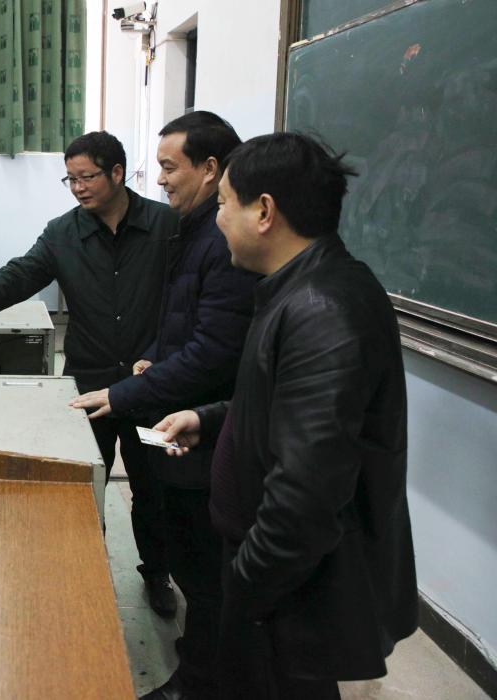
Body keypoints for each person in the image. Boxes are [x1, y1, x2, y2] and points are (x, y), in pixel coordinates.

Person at [156, 133, 417, 699]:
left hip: (287, 591)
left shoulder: (322, 310)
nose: (218, 218)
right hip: (275, 580)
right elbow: (286, 405)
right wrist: (212, 419)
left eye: (224, 203)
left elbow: (305, 496)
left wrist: (245, 587)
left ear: (265, 212)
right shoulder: (298, 288)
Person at [0, 131, 179, 615]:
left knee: (155, 488)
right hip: (88, 383)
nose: (77, 188)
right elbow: (18, 275)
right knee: (83, 486)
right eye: (70, 179)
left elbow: (185, 301)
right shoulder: (63, 233)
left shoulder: (166, 226)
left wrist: (163, 356)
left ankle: (157, 572)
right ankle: (89, 573)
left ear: (117, 173)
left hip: (151, 384)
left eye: (87, 177)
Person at [71, 112, 257, 700]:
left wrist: (122, 392)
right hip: (177, 411)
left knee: (203, 565)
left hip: (194, 428)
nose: (161, 179)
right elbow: (181, 320)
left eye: (170, 167)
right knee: (189, 550)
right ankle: (200, 658)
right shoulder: (193, 229)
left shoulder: (212, 237)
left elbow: (214, 349)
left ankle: (200, 679)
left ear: (210, 169)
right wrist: (153, 357)